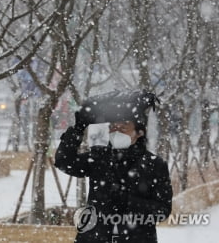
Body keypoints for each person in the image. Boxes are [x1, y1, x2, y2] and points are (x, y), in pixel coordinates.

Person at [54, 92, 173, 243]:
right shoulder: (99, 157)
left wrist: (129, 201)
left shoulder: (154, 165)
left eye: (123, 127)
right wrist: (78, 129)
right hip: (94, 238)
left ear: (139, 133)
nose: (116, 131)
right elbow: (64, 162)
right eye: (112, 127)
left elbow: (162, 210)